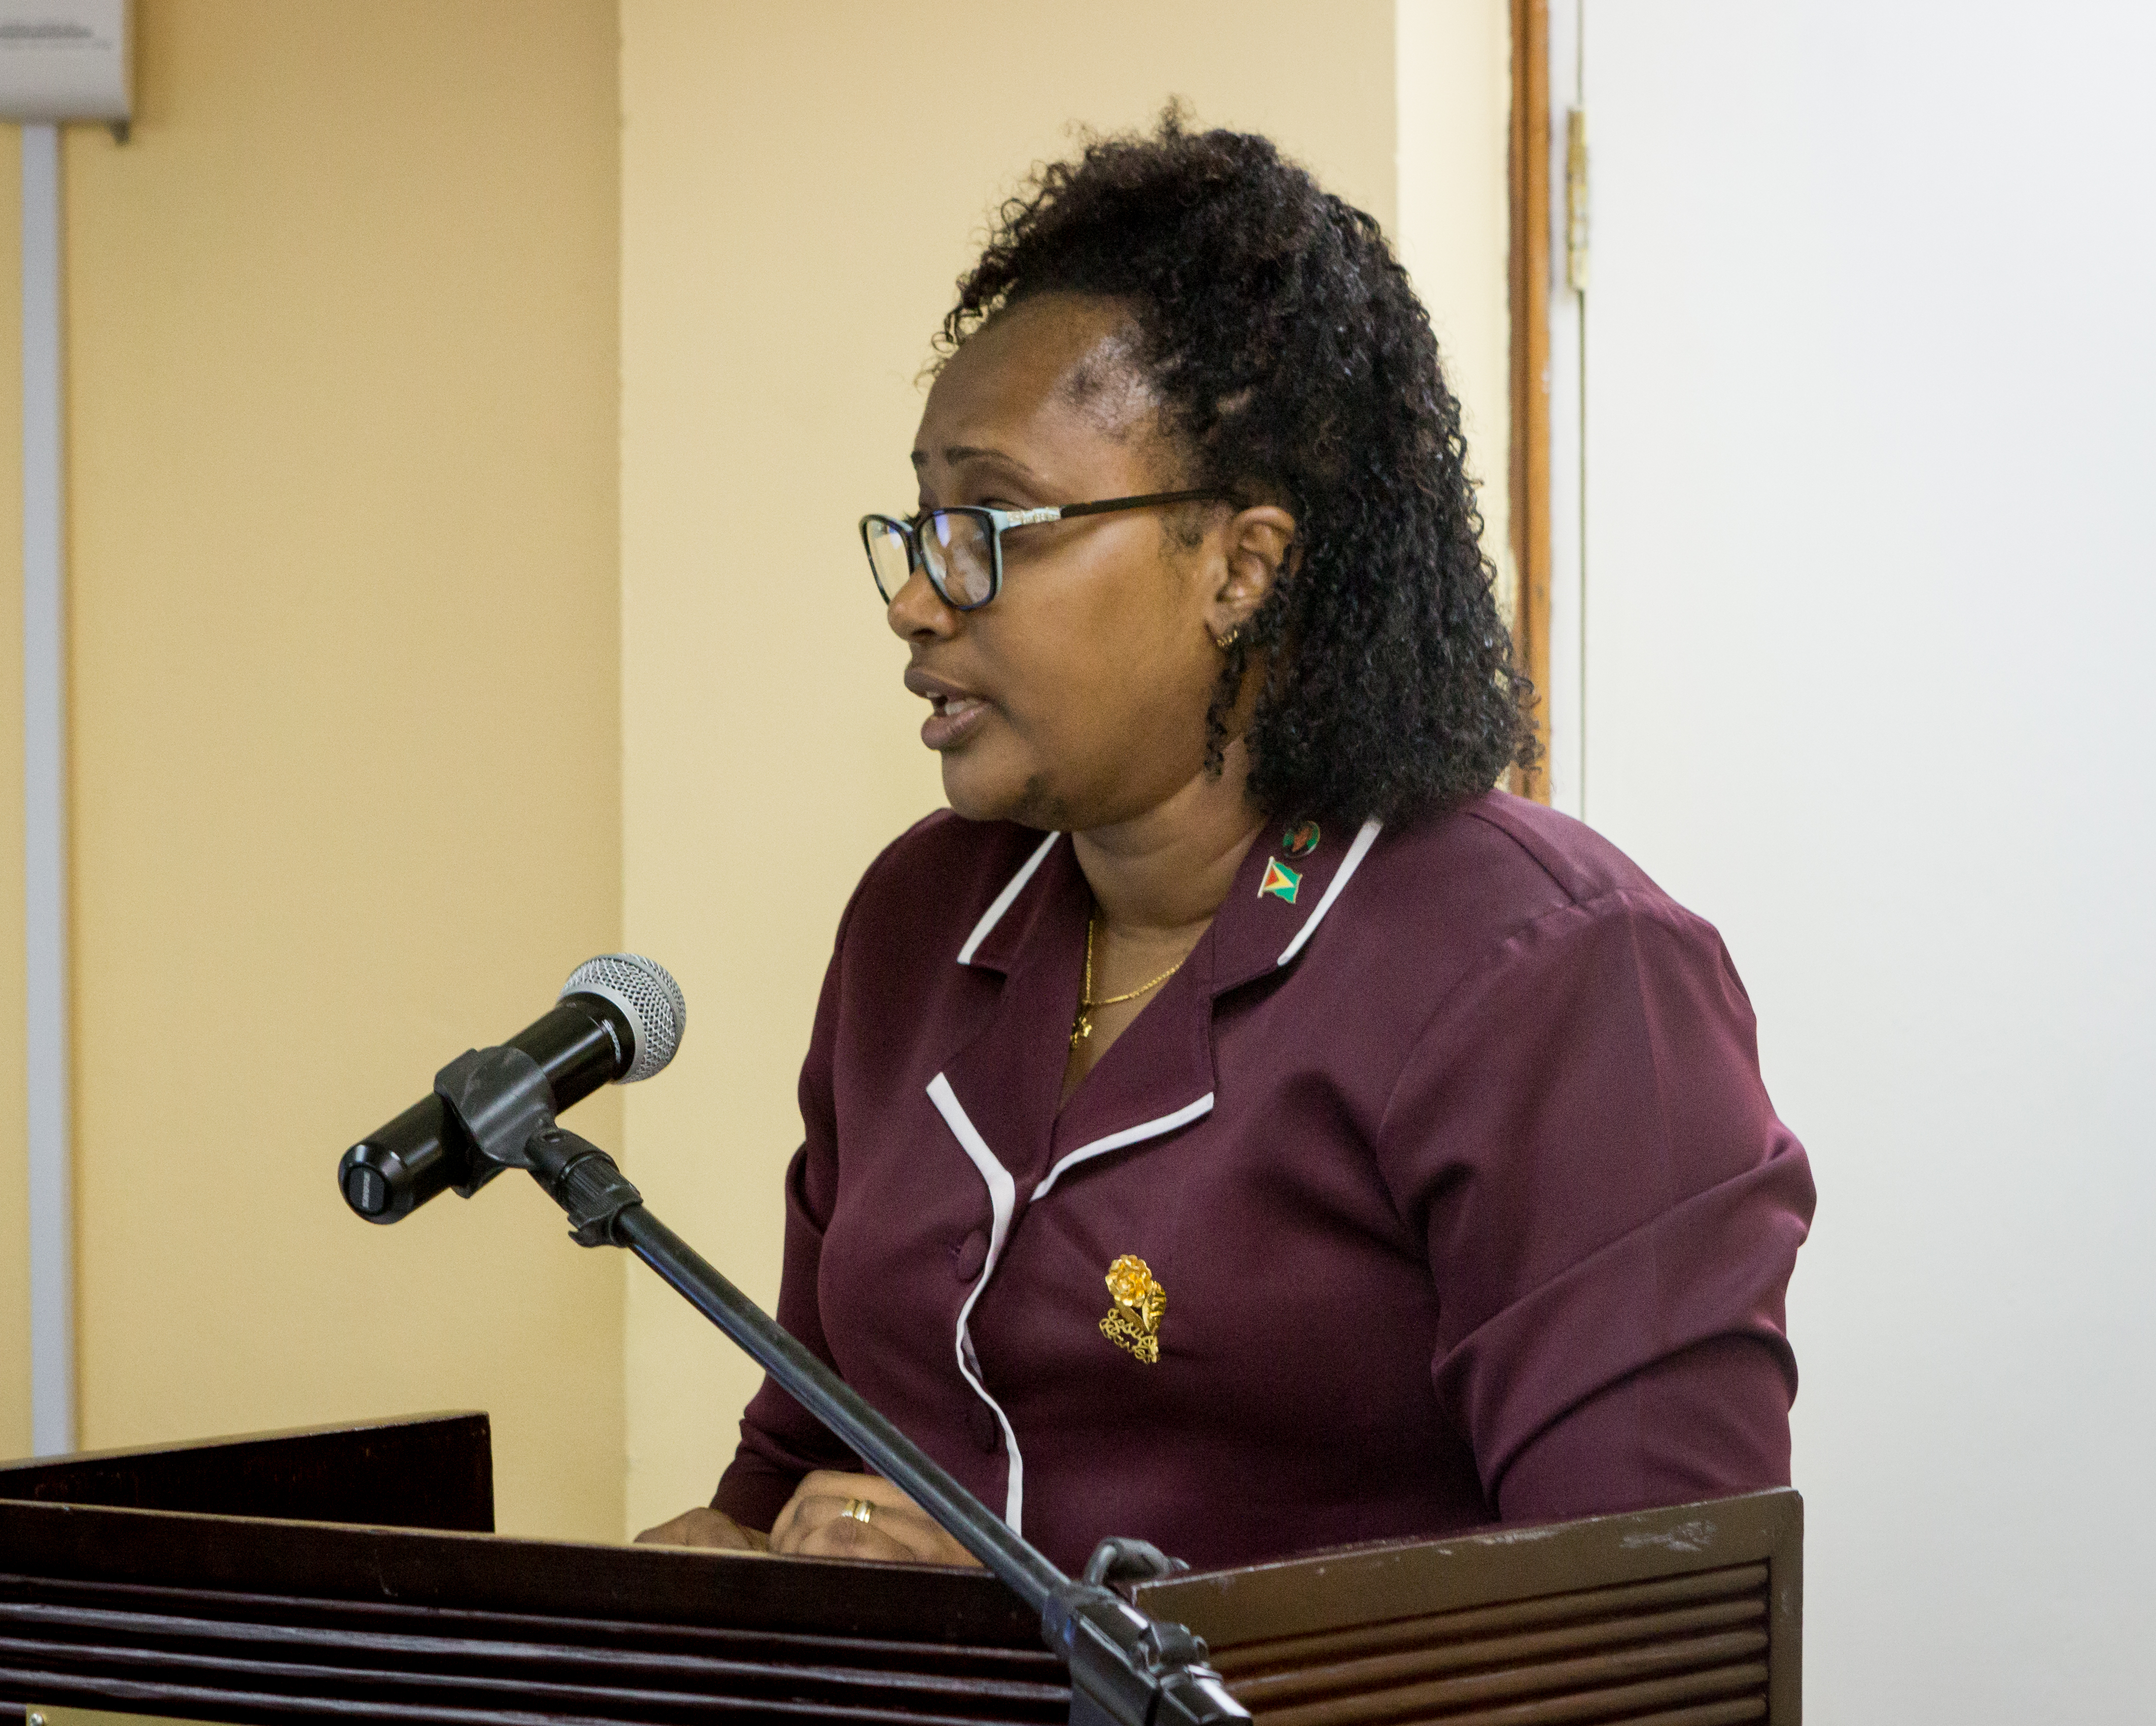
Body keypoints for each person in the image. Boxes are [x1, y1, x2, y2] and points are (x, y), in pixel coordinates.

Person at [638, 115, 1814, 1574]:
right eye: (922, 528)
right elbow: (807, 1443)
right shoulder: (917, 924)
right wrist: (726, 1562)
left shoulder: (1558, 980)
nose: (920, 601)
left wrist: (1047, 1652)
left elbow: (1654, 1647)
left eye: (992, 524)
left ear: (1240, 566)